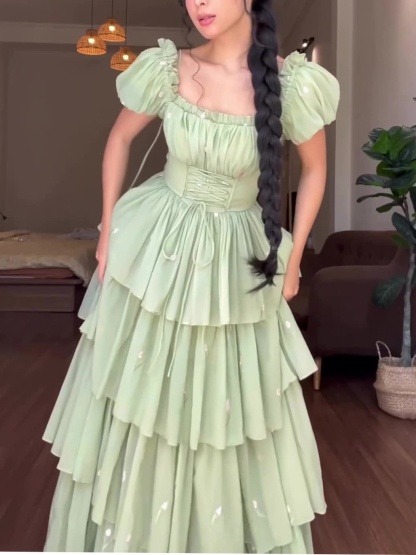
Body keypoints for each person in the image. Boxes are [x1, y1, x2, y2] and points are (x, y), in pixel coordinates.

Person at [42, 0, 340, 552]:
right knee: (144, 394)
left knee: (229, 402)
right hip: (159, 245)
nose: (198, 2)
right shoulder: (168, 68)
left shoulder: (291, 84)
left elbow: (317, 168)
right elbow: (118, 140)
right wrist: (107, 231)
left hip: (239, 257)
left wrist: (295, 257)